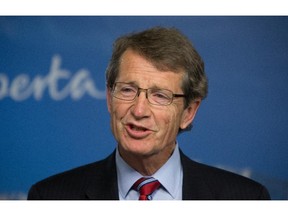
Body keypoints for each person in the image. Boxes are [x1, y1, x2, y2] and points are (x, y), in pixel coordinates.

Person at [28, 26, 270, 200]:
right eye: (127, 90)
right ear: (109, 98)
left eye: (160, 96)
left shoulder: (245, 199)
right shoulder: (50, 198)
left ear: (188, 112)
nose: (139, 110)